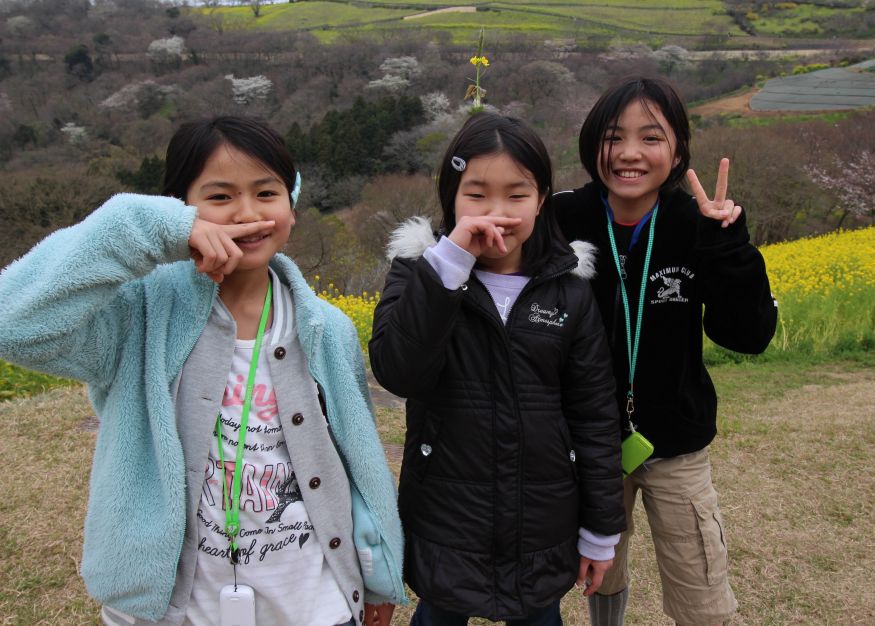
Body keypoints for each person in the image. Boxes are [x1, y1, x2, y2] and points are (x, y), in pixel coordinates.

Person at [0, 116, 405, 626]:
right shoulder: (137, 314)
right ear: (179, 209)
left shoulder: (327, 327)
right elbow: (13, 323)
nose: (247, 213)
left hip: (317, 603)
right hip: (181, 610)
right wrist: (148, 228)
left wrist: (378, 575)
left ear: (292, 206)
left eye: (267, 193)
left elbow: (359, 461)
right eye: (219, 197)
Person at [368, 112, 627, 625]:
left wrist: (601, 532)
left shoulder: (569, 290)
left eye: (517, 194)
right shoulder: (420, 272)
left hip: (543, 524)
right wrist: (448, 266)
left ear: (542, 199)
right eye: (477, 194)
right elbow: (399, 371)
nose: (497, 212)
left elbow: (595, 417)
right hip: (445, 517)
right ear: (451, 197)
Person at [553, 76, 778, 626]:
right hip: (585, 439)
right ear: (591, 144)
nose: (629, 153)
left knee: (700, 582)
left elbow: (747, 335)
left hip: (676, 441)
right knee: (601, 568)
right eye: (613, 137)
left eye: (651, 137)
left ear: (678, 151)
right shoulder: (561, 217)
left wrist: (728, 246)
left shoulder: (697, 223)